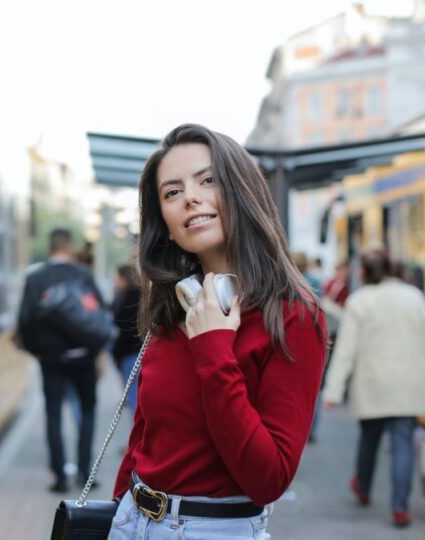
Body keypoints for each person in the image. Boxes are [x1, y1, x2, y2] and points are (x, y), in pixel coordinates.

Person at [109, 124, 326, 540]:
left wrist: (214, 348)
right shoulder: (177, 306)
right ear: (166, 223)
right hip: (130, 522)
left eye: (208, 180)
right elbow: (143, 439)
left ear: (242, 190)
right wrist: (117, 513)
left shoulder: (292, 314)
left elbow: (269, 479)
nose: (189, 197)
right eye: (172, 192)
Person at [323, 247, 425, 529]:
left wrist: (333, 391)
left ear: (364, 272)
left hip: (372, 384)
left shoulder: (360, 301)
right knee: (403, 443)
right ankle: (400, 507)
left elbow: (346, 350)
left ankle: (363, 486)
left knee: (369, 439)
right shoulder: (413, 297)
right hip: (410, 384)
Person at [18, 228, 105, 493]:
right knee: (88, 412)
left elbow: (24, 321)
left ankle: (59, 477)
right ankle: (84, 472)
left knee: (53, 414)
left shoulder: (36, 279)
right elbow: (99, 315)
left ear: (50, 247)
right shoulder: (83, 275)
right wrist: (98, 352)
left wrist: (38, 351)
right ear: (70, 247)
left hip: (51, 358)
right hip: (84, 357)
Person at [111, 263, 143, 412]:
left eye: (117, 278)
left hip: (131, 353)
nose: (115, 281)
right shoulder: (139, 296)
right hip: (135, 351)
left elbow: (122, 329)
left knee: (134, 398)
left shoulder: (127, 300)